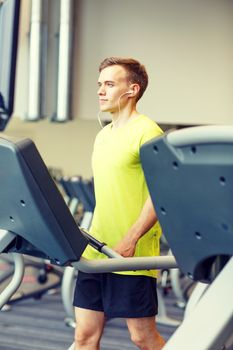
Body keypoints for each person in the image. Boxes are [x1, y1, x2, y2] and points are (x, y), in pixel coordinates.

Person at [72, 57, 165, 350]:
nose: (100, 90)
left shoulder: (148, 132)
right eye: (100, 84)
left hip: (131, 251)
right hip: (96, 248)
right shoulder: (102, 136)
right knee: (84, 336)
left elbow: (160, 193)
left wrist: (130, 238)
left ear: (132, 89)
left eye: (110, 84)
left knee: (142, 337)